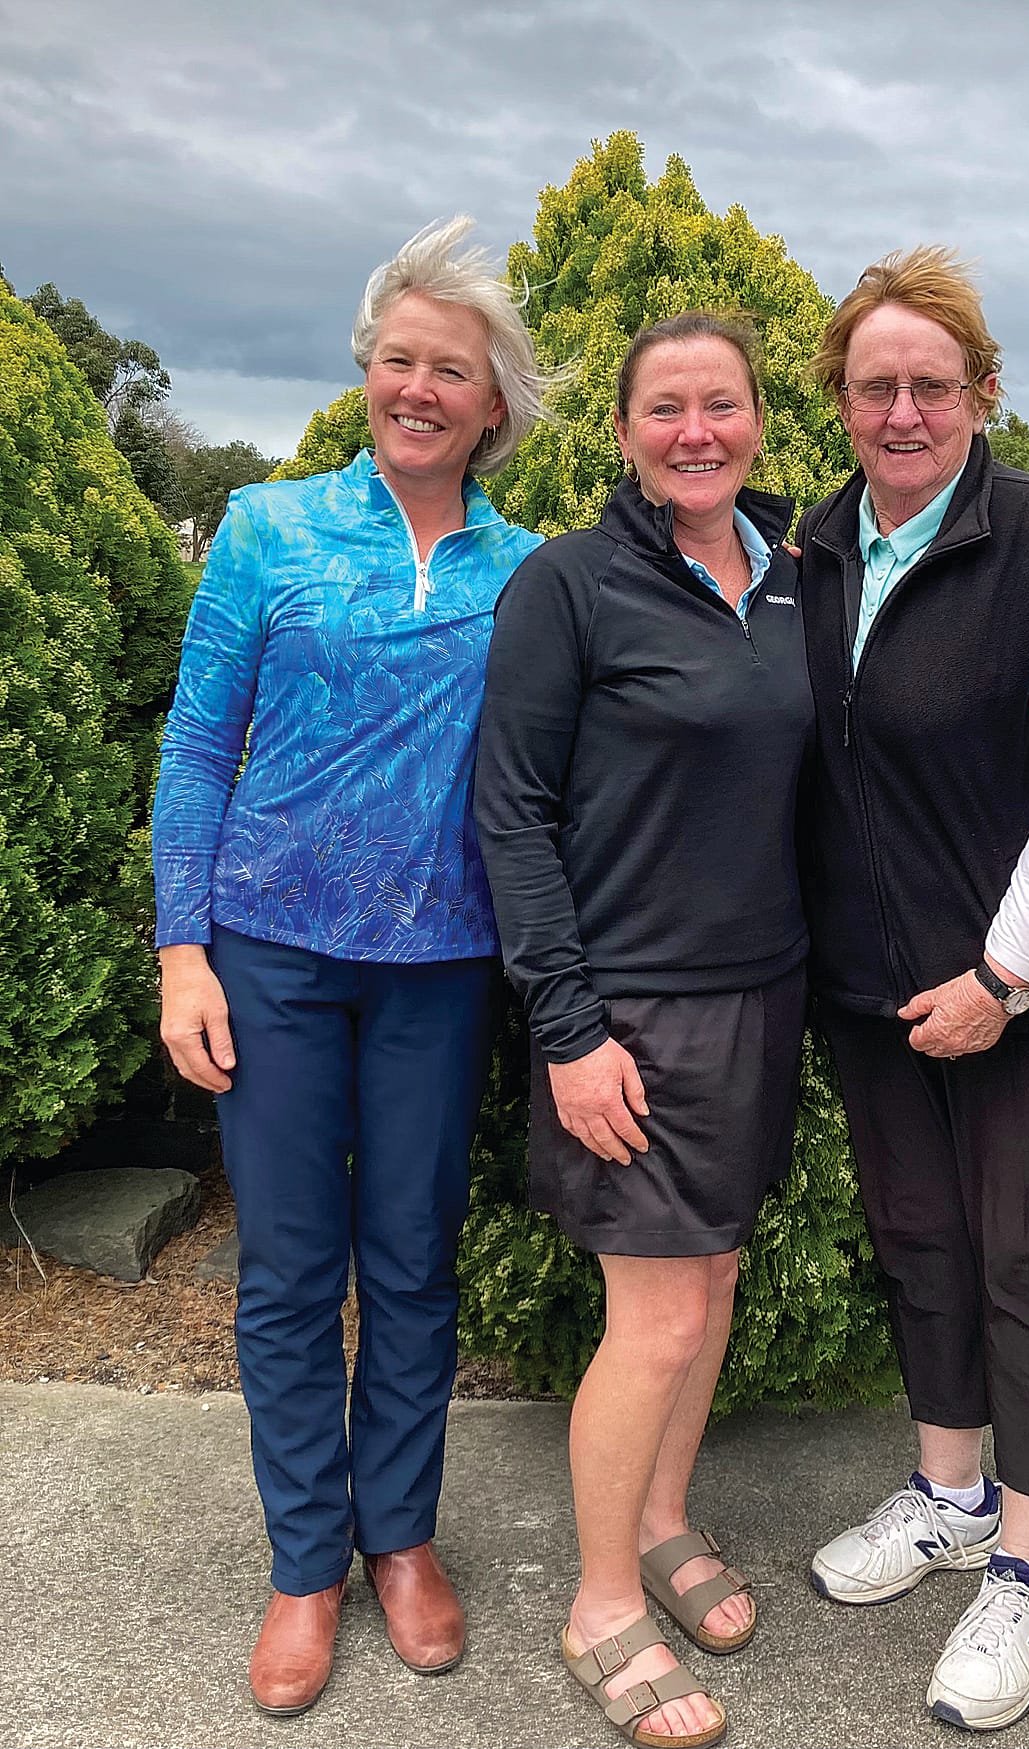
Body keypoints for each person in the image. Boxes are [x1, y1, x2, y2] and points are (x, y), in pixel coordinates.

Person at [152, 217, 551, 1716]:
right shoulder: (266, 528)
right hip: (271, 953)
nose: (420, 388)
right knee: (288, 1272)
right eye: (400, 359)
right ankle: (305, 1561)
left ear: (491, 404)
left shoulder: (530, 572)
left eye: (452, 369)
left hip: (441, 969)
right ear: (366, 372)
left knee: (412, 1262)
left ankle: (401, 1538)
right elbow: (197, 744)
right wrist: (183, 948)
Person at [796, 247, 1029, 1732]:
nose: (903, 408)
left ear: (984, 393)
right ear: (843, 402)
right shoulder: (812, 550)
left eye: (932, 383)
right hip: (872, 991)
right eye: (875, 384)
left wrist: (1002, 973)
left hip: (1020, 989)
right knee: (922, 1240)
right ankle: (947, 1489)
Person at [474, 313, 812, 1749]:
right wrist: (567, 1025)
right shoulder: (570, 584)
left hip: (763, 991)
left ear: (753, 420)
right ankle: (604, 1598)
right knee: (657, 1312)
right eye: (664, 407)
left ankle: (666, 1519)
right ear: (622, 432)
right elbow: (511, 811)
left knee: (714, 1284)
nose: (695, 430)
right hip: (627, 1011)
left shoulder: (798, 577)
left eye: (719, 404)